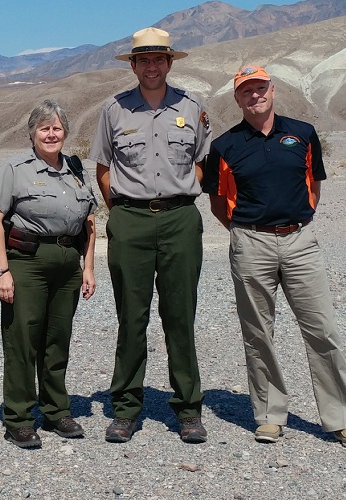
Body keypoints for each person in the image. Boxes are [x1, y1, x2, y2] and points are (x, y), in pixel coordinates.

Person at [203, 66, 346, 449]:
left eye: (260, 88)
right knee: (258, 334)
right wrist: (247, 232)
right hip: (250, 244)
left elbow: (313, 186)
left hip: (299, 241)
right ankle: (269, 416)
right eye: (246, 91)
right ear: (237, 99)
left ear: (272, 91)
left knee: (322, 329)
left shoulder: (303, 134)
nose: (254, 96)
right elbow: (217, 202)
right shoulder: (225, 146)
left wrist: (296, 222)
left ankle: (342, 419)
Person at [88, 27, 211, 444]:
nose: (152, 66)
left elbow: (200, 163)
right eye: (144, 60)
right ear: (134, 64)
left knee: (180, 316)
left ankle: (189, 409)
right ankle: (125, 408)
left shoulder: (192, 106)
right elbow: (103, 168)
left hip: (180, 220)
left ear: (170, 62)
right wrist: (122, 211)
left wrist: (176, 196)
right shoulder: (114, 110)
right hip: (130, 221)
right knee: (131, 317)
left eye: (159, 59)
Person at [0, 100, 98, 448]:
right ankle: (18, 417)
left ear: (66, 132)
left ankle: (56, 410)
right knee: (23, 339)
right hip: (27, 261)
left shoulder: (75, 168)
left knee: (57, 338)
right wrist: (1, 270)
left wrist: (88, 266)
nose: (51, 133)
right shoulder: (15, 168)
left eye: (57, 127)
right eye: (44, 128)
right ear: (31, 133)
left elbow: (89, 221)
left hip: (67, 262)